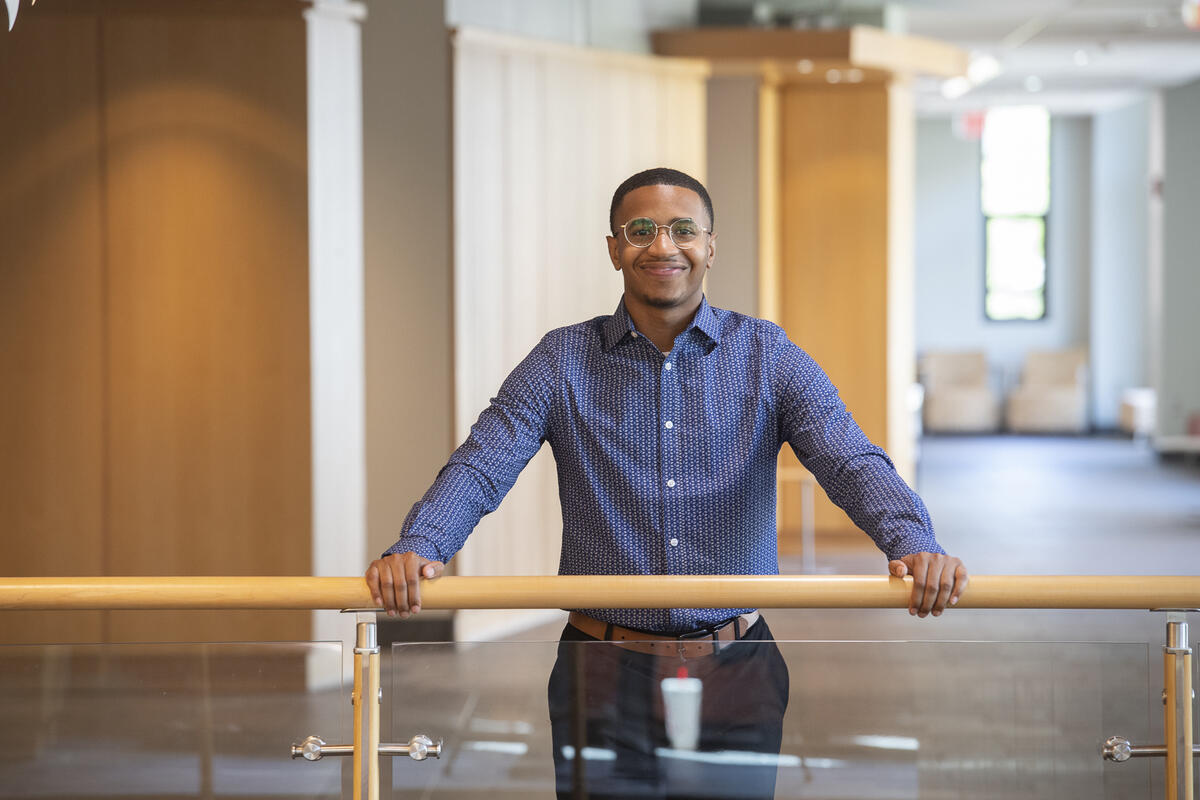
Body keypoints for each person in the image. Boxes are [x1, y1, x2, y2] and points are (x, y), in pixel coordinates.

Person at [366, 167, 967, 798]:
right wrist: (422, 546)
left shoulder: (767, 353)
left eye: (684, 229)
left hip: (739, 665)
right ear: (613, 247)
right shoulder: (562, 359)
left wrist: (911, 540)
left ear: (710, 245)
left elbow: (848, 458)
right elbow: (484, 460)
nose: (663, 246)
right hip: (598, 670)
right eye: (641, 230)